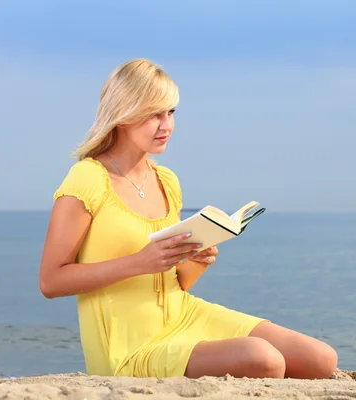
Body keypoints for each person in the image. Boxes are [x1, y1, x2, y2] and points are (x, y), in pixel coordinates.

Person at [38, 58, 338, 380]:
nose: (166, 125)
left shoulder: (166, 180)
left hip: (184, 315)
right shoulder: (87, 178)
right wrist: (139, 262)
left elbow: (176, 282)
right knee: (265, 360)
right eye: (154, 113)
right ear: (123, 114)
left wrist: (196, 260)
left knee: (321, 359)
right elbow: (51, 281)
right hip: (130, 345)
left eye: (171, 112)